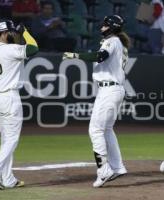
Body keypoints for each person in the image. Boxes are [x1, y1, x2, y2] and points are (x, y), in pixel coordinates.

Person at [62, 15, 129, 188]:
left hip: (110, 89)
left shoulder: (112, 40)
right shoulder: (117, 42)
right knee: (106, 129)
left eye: (106, 24)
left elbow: (100, 56)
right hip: (112, 88)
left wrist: (75, 55)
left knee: (95, 130)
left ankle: (104, 170)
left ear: (112, 27)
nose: (102, 26)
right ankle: (117, 166)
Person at [0, 19, 38, 190]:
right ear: (5, 34)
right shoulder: (12, 50)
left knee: (6, 140)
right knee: (11, 139)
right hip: (8, 98)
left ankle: (8, 179)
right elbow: (34, 48)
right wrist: (24, 32)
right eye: (11, 31)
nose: (13, 34)